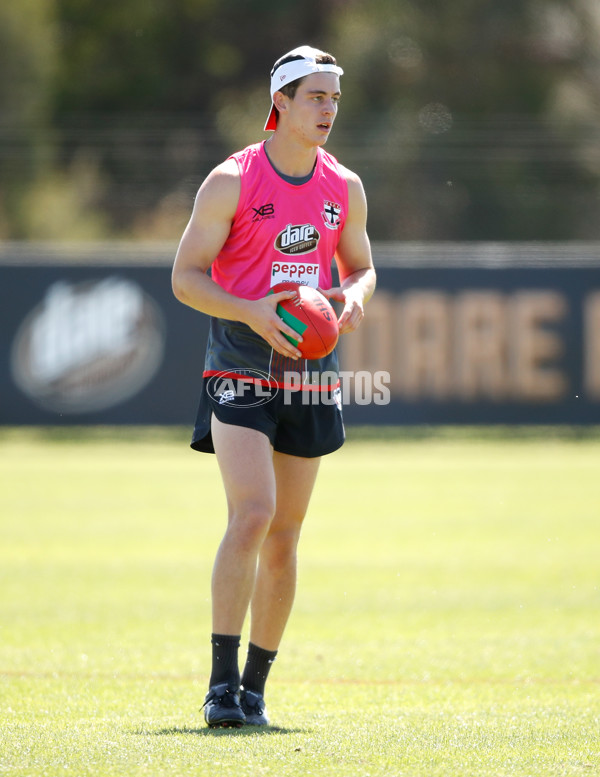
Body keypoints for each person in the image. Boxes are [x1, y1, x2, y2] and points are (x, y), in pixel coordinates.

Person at [171, 44, 376, 728]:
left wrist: (351, 298)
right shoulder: (231, 180)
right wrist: (253, 309)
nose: (327, 110)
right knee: (253, 513)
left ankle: (256, 687)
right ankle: (220, 686)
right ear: (280, 102)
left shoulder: (344, 186)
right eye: (315, 97)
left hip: (308, 370)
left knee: (285, 536)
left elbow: (362, 267)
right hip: (238, 360)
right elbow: (186, 277)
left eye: (334, 99)